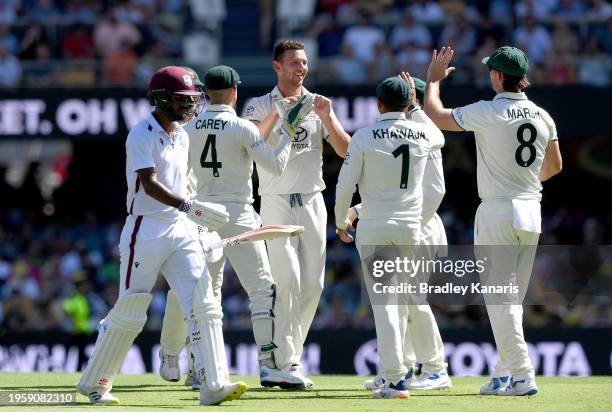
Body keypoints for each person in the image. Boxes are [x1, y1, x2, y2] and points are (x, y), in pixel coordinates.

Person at [76, 66, 247, 406]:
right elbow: (148, 184)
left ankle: (213, 384)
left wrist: (196, 218)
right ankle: (96, 384)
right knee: (131, 309)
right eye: (183, 101)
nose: (189, 107)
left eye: (191, 100)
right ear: (161, 99)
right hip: (145, 228)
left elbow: (184, 182)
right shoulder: (141, 133)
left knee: (203, 301)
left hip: (180, 228)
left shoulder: (183, 135)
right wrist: (187, 207)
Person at [423, 46, 562, 396]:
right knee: (511, 299)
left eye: (491, 71)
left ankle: (522, 374)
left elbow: (435, 115)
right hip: (531, 208)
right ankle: (503, 373)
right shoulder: (543, 115)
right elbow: (555, 166)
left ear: (499, 76)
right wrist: (523, 183)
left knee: (500, 300)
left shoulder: (489, 110)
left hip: (498, 210)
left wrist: (433, 81)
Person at [159, 65, 306, 389]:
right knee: (262, 291)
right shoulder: (242, 128)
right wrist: (287, 133)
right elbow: (276, 166)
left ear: (205, 93)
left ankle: (198, 369)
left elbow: (178, 176)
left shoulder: (187, 129)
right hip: (239, 216)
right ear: (235, 92)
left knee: (203, 294)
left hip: (201, 216)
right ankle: (268, 365)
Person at [243, 39, 351, 388]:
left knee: (313, 285)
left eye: (303, 62)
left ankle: (283, 358)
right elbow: (250, 142)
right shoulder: (259, 105)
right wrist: (281, 114)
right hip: (274, 200)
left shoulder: (317, 103)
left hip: (311, 200)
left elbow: (345, 149)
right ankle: (285, 362)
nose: (300, 68)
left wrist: (327, 116)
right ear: (277, 66)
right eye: (292, 62)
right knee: (286, 281)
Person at [335, 77, 443, 399]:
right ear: (407, 103)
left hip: (376, 228)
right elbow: (439, 137)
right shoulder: (423, 132)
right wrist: (416, 109)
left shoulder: (364, 137)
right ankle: (394, 372)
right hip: (410, 229)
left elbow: (345, 185)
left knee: (385, 304)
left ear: (378, 104)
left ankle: (394, 380)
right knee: (398, 302)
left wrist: (342, 220)